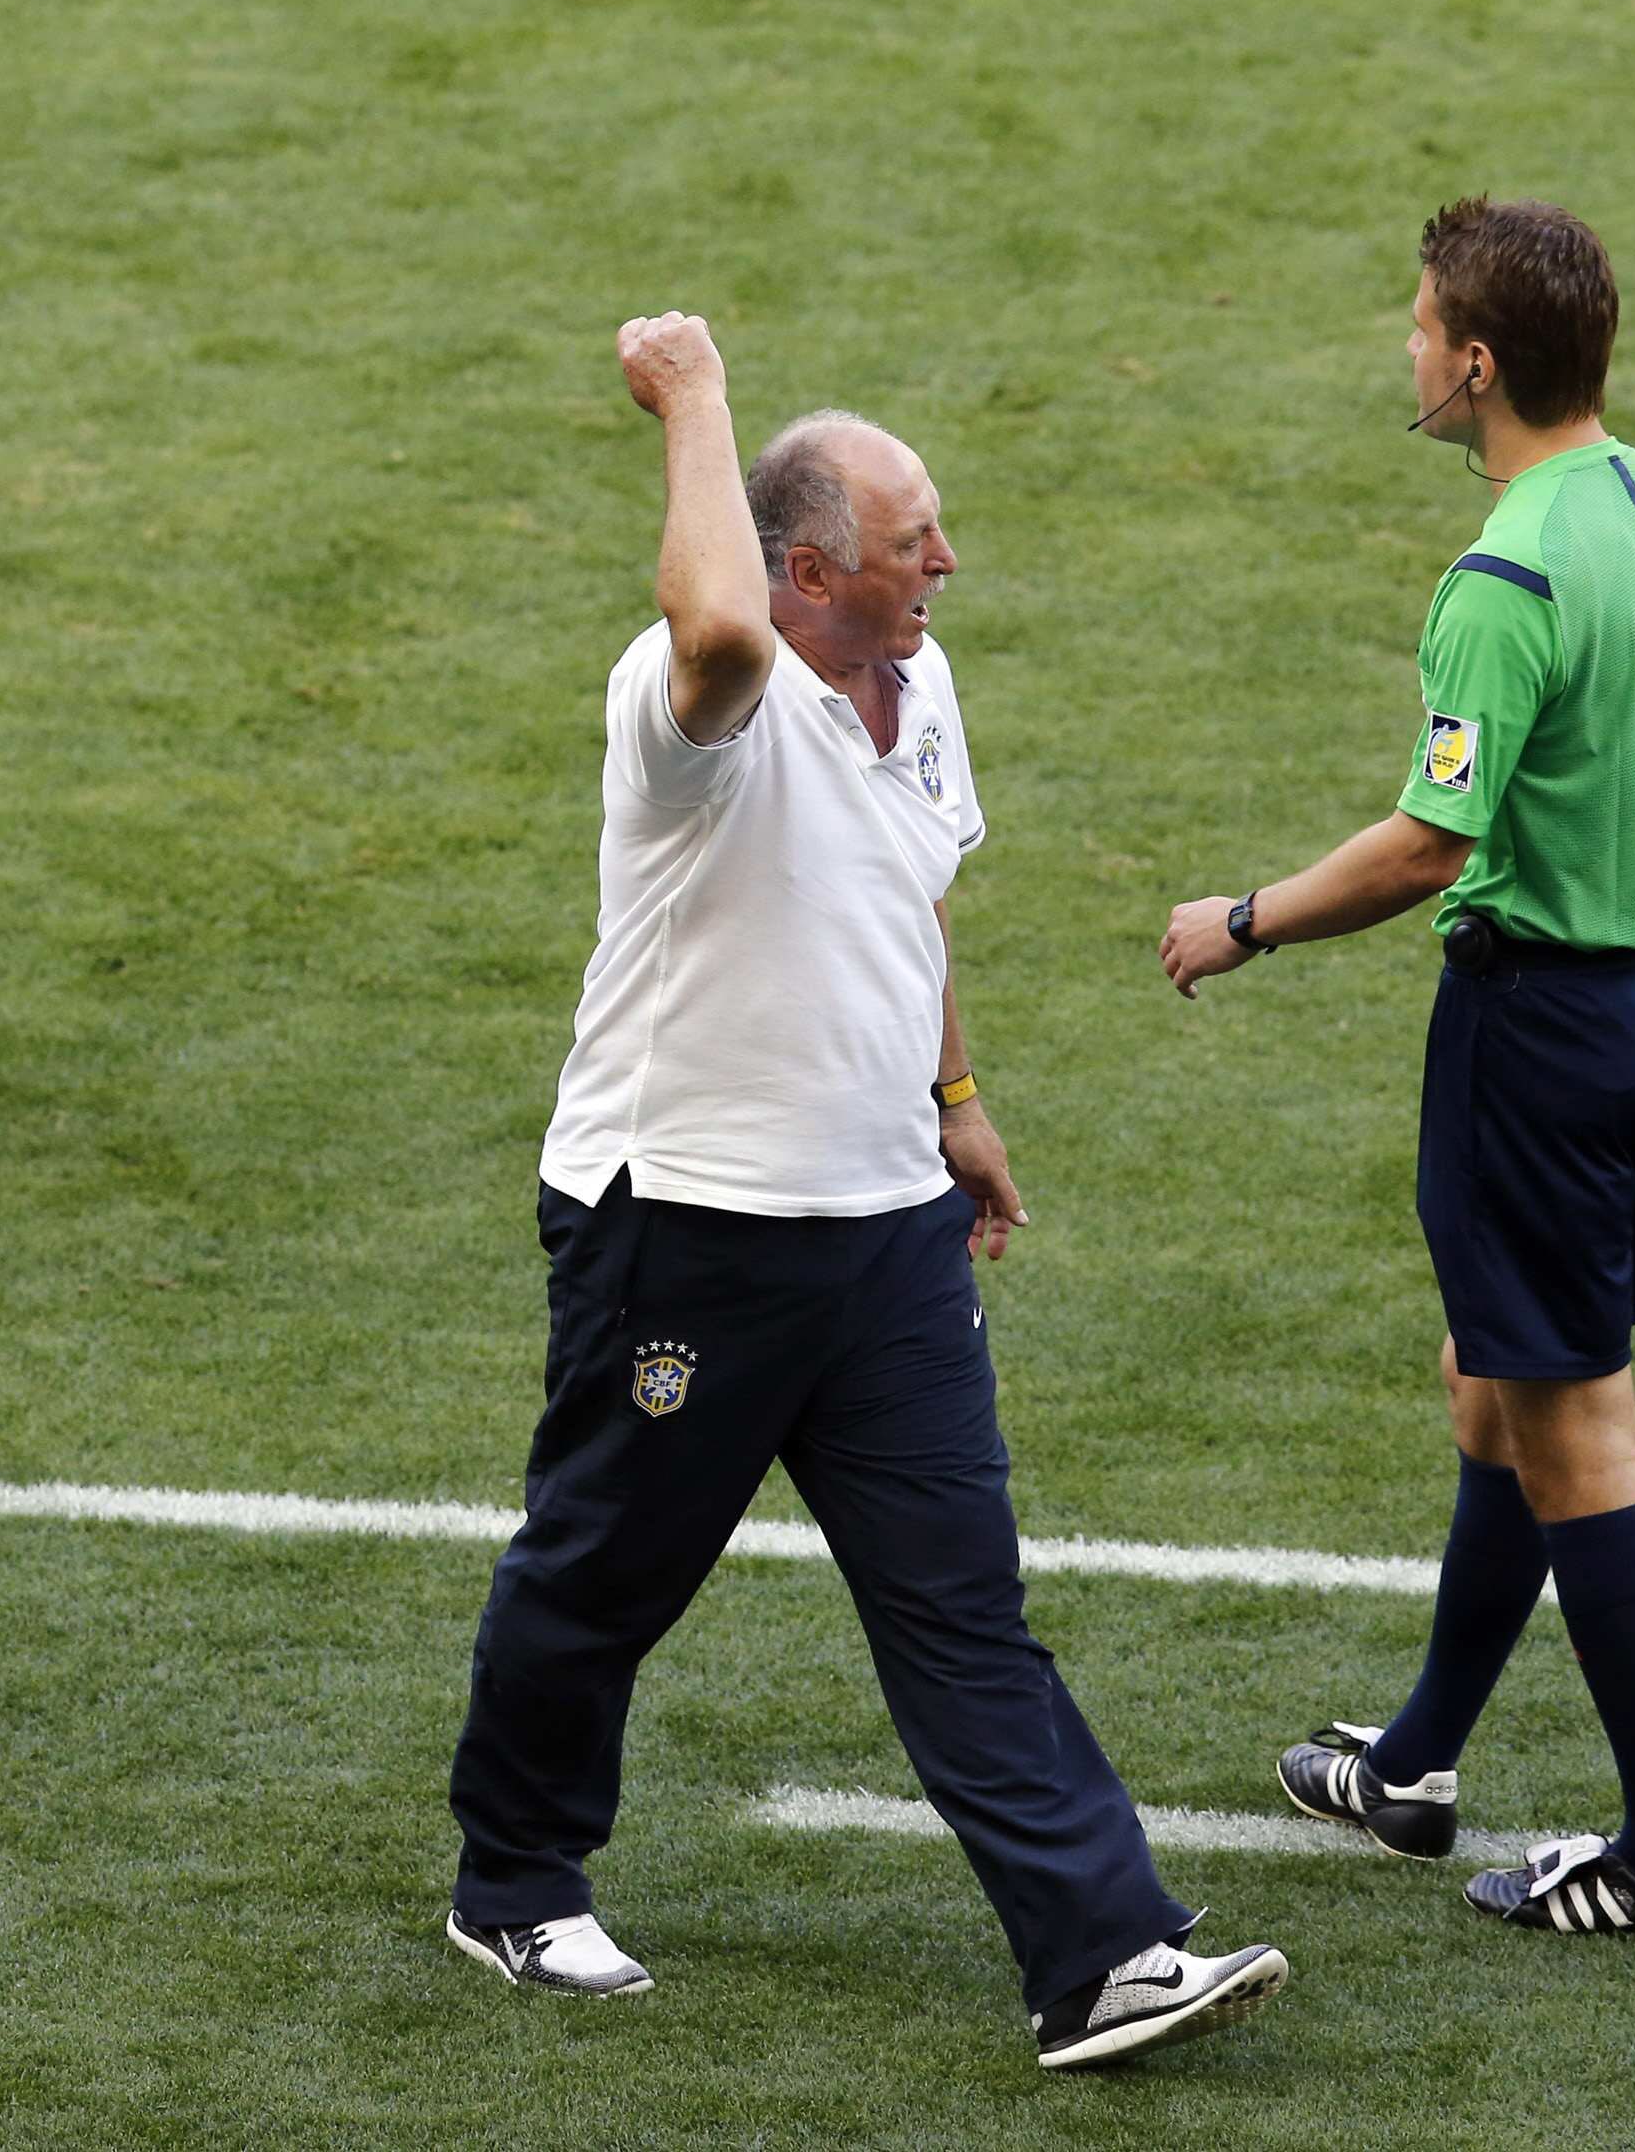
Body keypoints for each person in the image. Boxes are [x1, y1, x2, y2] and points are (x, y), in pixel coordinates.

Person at [442, 314, 1290, 2071]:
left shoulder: (927, 682)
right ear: (810, 568)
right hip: (682, 1221)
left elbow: (913, 903)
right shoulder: (699, 703)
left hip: (888, 1233)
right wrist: (693, 395)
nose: (950, 565)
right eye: (916, 544)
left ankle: (1102, 1955)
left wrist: (956, 1095)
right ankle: (515, 1877)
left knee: (962, 1599)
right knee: (605, 1570)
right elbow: (719, 622)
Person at [1158, 198, 1635, 1941]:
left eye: (1419, 325)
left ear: (1478, 364)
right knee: (1494, 1376)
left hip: (1540, 1040)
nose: (1405, 349)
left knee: (1574, 1425)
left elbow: (1433, 843)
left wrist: (1248, 919)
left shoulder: (1499, 579)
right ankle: (1415, 1764)